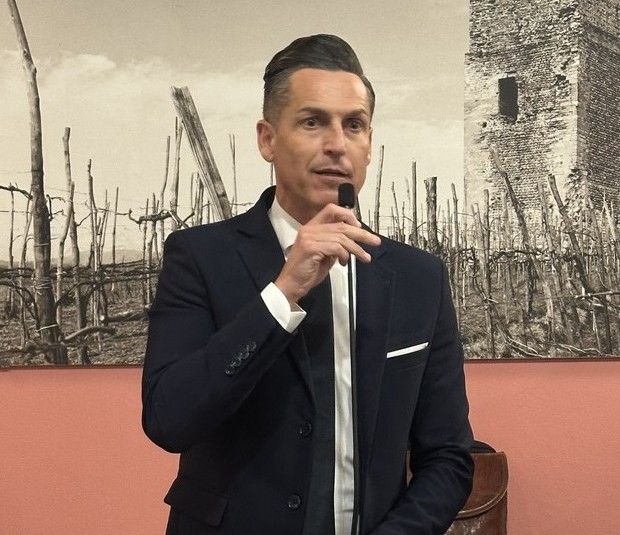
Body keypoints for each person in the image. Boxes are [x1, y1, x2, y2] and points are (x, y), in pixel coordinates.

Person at [142, 34, 474, 535]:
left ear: (369, 145)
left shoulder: (419, 277)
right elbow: (169, 421)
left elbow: (448, 456)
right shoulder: (200, 257)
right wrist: (281, 294)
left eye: (353, 125)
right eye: (312, 121)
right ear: (268, 139)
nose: (336, 144)